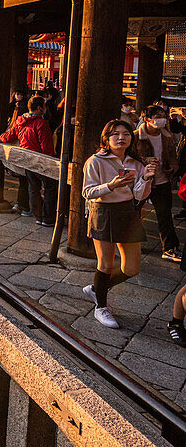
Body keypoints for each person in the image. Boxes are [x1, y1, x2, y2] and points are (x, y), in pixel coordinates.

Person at [81, 120, 158, 329]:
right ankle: (101, 308)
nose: (121, 138)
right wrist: (111, 185)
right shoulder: (95, 161)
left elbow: (138, 195)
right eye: (115, 134)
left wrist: (147, 178)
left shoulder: (135, 162)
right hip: (103, 211)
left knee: (131, 268)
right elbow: (87, 192)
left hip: (127, 212)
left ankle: (98, 289)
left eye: (126, 134)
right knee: (105, 264)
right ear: (106, 138)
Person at [0, 96, 58, 227]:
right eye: (44, 106)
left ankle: (38, 216)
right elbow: (46, 146)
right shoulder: (41, 123)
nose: (45, 108)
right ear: (39, 108)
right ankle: (47, 218)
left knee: (33, 188)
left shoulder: (20, 121)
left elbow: (7, 137)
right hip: (40, 160)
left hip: (26, 159)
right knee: (50, 188)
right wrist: (51, 161)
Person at [133, 104, 181, 262]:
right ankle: (132, 242)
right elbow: (128, 157)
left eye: (163, 116)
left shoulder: (166, 136)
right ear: (147, 119)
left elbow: (173, 157)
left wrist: (172, 167)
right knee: (134, 213)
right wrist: (145, 160)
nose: (161, 119)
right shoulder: (135, 136)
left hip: (162, 181)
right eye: (157, 116)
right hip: (142, 181)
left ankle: (169, 248)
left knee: (164, 215)